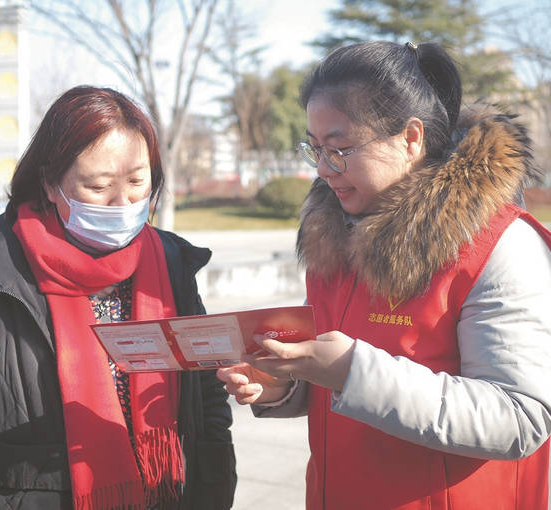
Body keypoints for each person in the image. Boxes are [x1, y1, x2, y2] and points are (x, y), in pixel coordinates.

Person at [218, 40, 551, 509]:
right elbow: (335, 378)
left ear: (411, 138)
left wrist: (354, 372)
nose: (322, 169)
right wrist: (284, 386)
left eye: (339, 149)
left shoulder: (499, 245)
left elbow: (521, 417)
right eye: (313, 149)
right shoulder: (332, 237)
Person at [0, 85, 236, 510]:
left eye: (137, 181)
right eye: (98, 186)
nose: (122, 202)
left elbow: (206, 403)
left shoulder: (170, 263)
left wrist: (212, 494)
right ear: (50, 183)